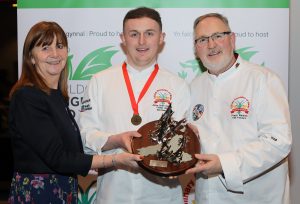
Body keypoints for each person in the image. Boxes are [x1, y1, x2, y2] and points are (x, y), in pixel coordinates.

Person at [8, 21, 143, 204]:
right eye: (45, 47)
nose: (55, 54)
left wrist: (117, 139)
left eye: (60, 46)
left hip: (63, 189)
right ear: (31, 57)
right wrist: (114, 160)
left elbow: (73, 151)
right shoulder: (27, 96)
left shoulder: (57, 97)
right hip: (40, 193)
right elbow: (58, 158)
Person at [79, 7, 190, 204]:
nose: (142, 41)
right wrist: (117, 140)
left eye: (149, 33)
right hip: (113, 194)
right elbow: (84, 136)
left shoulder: (178, 85)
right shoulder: (100, 81)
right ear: (123, 38)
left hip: (162, 196)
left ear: (161, 37)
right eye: (134, 34)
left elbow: (183, 140)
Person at [186, 13, 292, 204]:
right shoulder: (194, 87)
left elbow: (279, 141)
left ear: (232, 39)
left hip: (256, 197)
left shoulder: (263, 80)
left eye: (218, 36)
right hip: (207, 196)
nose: (211, 45)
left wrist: (225, 164)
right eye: (202, 39)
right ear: (196, 48)